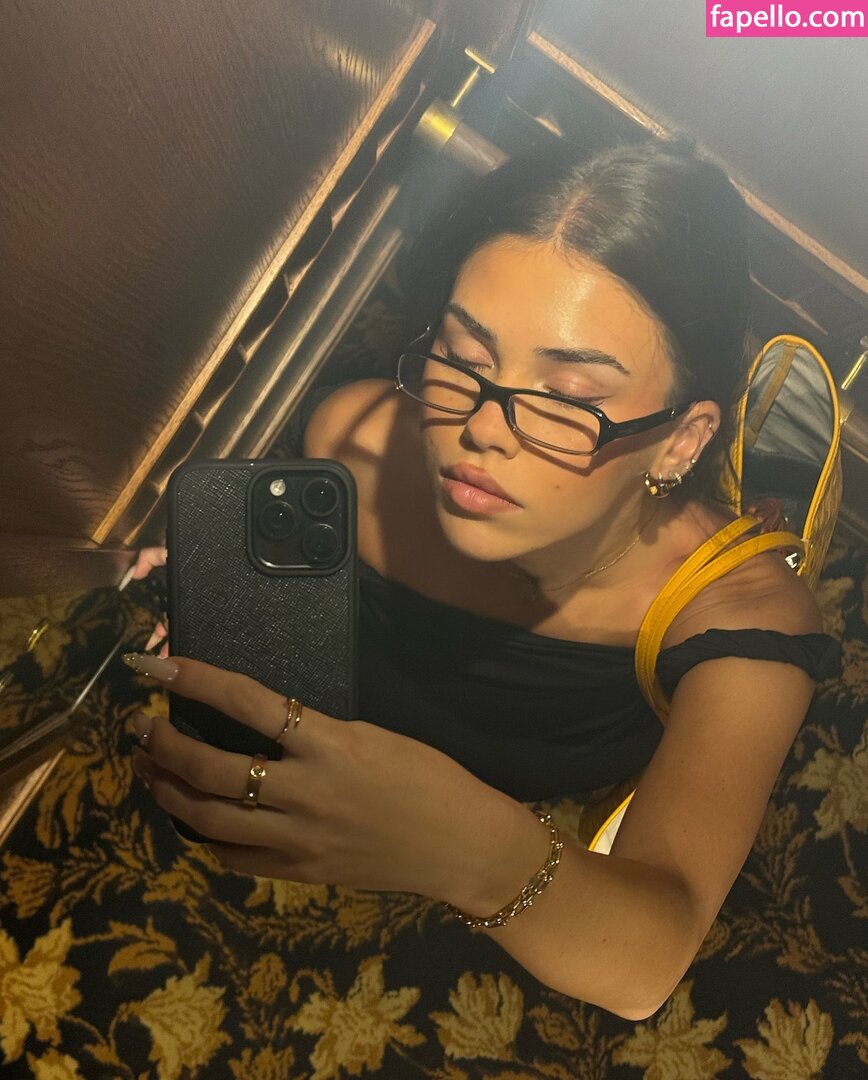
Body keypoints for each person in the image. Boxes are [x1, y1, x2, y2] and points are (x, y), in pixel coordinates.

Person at [123, 139, 836, 1021]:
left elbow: (649, 961)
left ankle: (766, 481)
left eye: (566, 399)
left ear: (680, 439)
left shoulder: (742, 617)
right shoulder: (358, 440)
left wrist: (473, 853)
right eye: (462, 357)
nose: (480, 429)